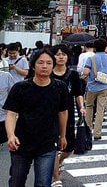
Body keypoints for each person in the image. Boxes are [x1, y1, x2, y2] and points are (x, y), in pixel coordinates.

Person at [3, 50, 69, 187]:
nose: (44, 66)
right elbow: (11, 113)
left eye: (49, 63)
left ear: (53, 66)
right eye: (40, 62)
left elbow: (62, 113)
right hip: (21, 143)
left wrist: (63, 136)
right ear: (33, 66)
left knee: (43, 183)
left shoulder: (60, 87)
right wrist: (11, 135)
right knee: (16, 182)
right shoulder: (20, 88)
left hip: (47, 143)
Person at [50, 45, 85, 186]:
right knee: (53, 147)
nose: (61, 57)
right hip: (50, 114)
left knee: (69, 147)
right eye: (58, 54)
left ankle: (59, 162)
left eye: (64, 54)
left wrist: (82, 107)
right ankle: (55, 178)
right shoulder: (48, 74)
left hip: (68, 113)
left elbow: (78, 93)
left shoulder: (73, 75)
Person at [81, 39, 107, 141]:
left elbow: (86, 71)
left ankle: (88, 128)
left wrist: (82, 77)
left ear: (94, 48)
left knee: (89, 106)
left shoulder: (91, 58)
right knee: (101, 109)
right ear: (105, 47)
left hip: (92, 86)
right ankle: (97, 133)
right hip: (105, 86)